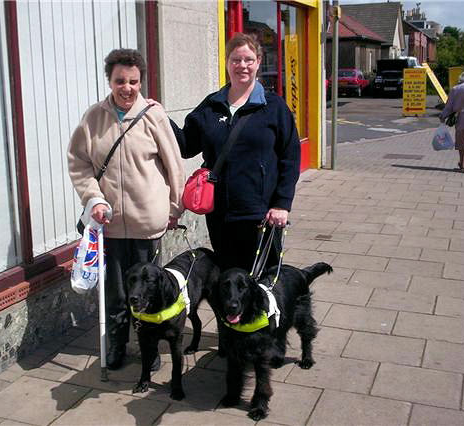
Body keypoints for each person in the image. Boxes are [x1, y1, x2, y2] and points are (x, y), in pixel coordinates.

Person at [68, 49, 185, 370]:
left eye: (133, 81)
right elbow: (79, 164)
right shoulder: (94, 118)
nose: (127, 87)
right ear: (110, 80)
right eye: (120, 80)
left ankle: (149, 349)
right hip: (112, 225)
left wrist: (175, 208)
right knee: (116, 293)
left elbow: (174, 165)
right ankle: (118, 345)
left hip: (148, 224)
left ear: (140, 81)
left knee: (148, 292)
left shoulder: (153, 115)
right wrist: (93, 199)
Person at [171, 33, 300, 272]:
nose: (242, 66)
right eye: (236, 60)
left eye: (249, 60)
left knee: (262, 282)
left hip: (261, 214)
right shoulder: (211, 105)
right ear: (227, 62)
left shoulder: (273, 107)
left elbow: (290, 157)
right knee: (229, 281)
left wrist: (282, 203)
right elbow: (186, 146)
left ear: (259, 62)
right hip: (220, 214)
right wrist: (159, 117)